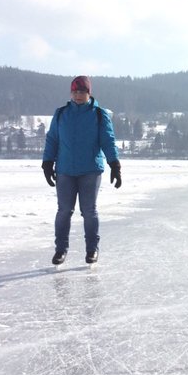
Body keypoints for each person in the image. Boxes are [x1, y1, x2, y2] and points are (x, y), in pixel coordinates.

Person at [42, 75, 122, 265]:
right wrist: (47, 162)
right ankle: (60, 250)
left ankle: (92, 249)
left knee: (89, 211)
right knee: (64, 211)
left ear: (89, 93)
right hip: (65, 171)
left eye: (82, 92)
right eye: (75, 92)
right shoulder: (61, 114)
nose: (78, 95)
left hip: (90, 171)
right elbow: (52, 138)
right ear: (71, 93)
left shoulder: (99, 115)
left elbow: (107, 141)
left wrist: (114, 164)